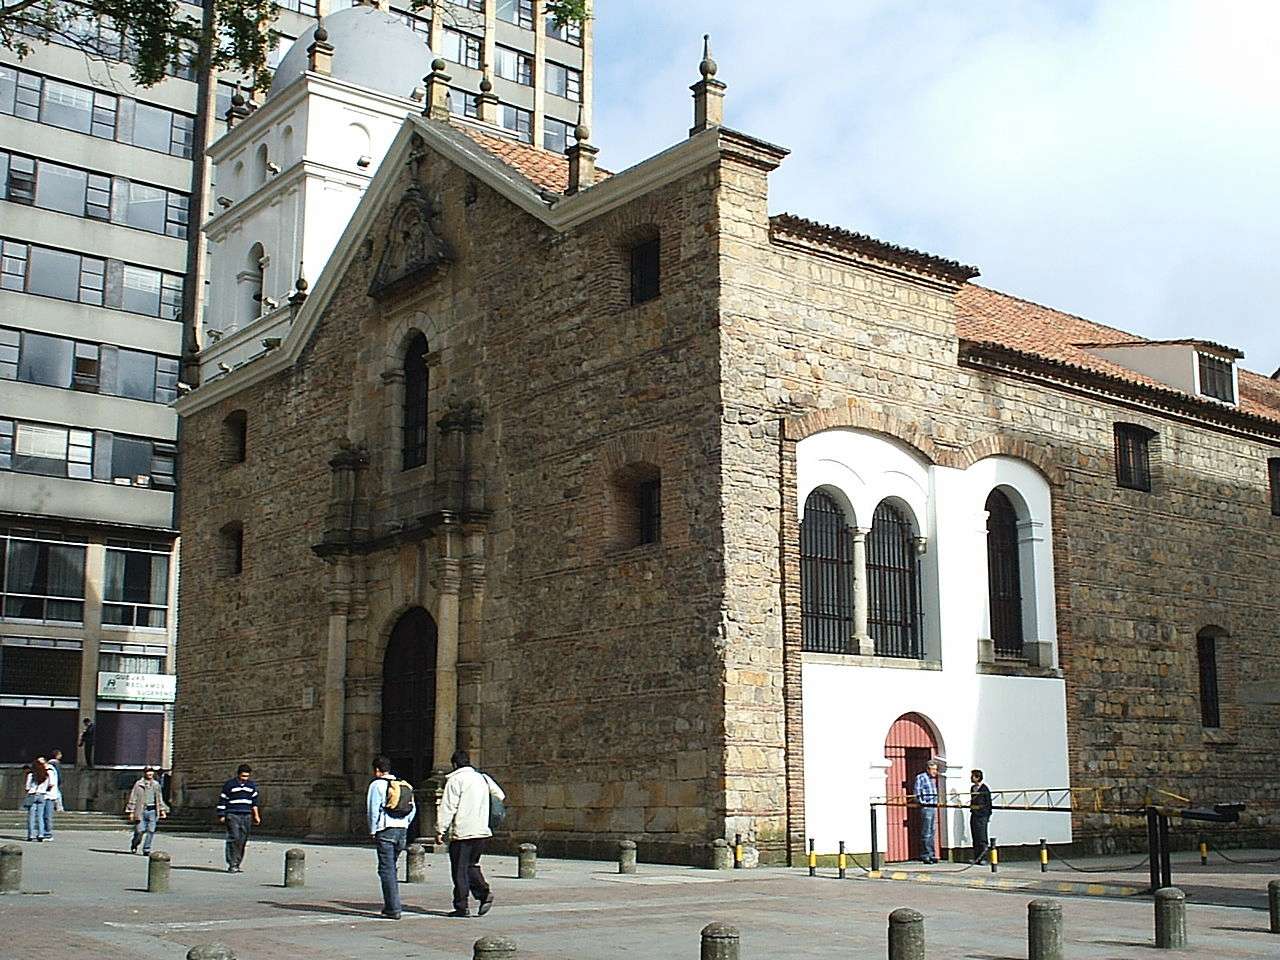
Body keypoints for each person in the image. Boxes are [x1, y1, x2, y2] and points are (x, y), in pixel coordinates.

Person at [435, 749, 504, 918]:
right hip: (481, 830)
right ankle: (483, 894)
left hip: (463, 831)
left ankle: (462, 906)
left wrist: (440, 829)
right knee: (471, 865)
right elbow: (500, 795)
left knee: (459, 869)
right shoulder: (482, 778)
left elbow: (448, 807)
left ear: (455, 764)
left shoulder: (455, 780)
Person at [366, 755, 416, 920]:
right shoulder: (403, 784)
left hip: (385, 829)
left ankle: (393, 908)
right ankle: (391, 905)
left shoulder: (377, 785)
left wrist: (373, 829)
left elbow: (373, 809)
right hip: (402, 831)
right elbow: (412, 808)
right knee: (391, 868)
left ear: (377, 770)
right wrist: (405, 823)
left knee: (386, 870)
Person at [216, 763, 261, 873]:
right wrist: (221, 814)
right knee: (234, 837)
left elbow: (254, 802)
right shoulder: (229, 785)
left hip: (246, 815)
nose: (244, 779)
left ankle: (237, 862)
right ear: (238, 775)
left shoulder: (251, 786)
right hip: (233, 814)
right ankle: (232, 863)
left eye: (247, 776)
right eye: (243, 776)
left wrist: (256, 815)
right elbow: (223, 800)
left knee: (242, 839)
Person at [126, 767, 170, 855]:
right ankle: (135, 844)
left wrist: (162, 810)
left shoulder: (156, 785)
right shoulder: (139, 784)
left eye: (151, 772)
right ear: (145, 773)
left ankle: (146, 849)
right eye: (148, 772)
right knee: (140, 830)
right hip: (141, 810)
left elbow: (159, 798)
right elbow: (133, 797)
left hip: (152, 811)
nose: (150, 774)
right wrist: (131, 811)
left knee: (151, 830)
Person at [913, 759, 940, 864]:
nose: (935, 772)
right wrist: (923, 802)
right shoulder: (921, 777)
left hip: (933, 807)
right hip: (926, 807)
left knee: (932, 831)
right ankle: (925, 855)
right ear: (928, 769)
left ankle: (932, 854)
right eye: (933, 769)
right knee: (926, 832)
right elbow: (917, 792)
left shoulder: (932, 780)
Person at [23, 759, 54, 842]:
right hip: (42, 795)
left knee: (31, 816)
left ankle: (31, 835)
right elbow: (51, 785)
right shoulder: (46, 774)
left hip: (32, 794)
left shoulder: (31, 775)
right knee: (40, 816)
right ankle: (40, 834)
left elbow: (27, 787)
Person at [43, 749, 62, 839]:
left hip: (45, 792)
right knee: (57, 797)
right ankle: (59, 808)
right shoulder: (54, 764)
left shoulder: (49, 765)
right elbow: (58, 775)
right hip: (50, 790)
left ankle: (44, 832)